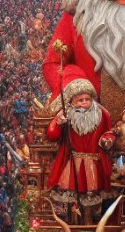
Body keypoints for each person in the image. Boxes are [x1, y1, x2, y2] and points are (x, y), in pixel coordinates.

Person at [46, 80, 113, 220]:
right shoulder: (65, 114)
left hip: (94, 163)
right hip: (72, 162)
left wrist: (108, 139)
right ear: (72, 101)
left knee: (92, 197)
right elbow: (52, 135)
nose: (83, 103)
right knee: (71, 197)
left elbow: (109, 132)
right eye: (79, 100)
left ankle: (91, 223)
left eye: (87, 99)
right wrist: (58, 123)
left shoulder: (102, 114)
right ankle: (72, 223)